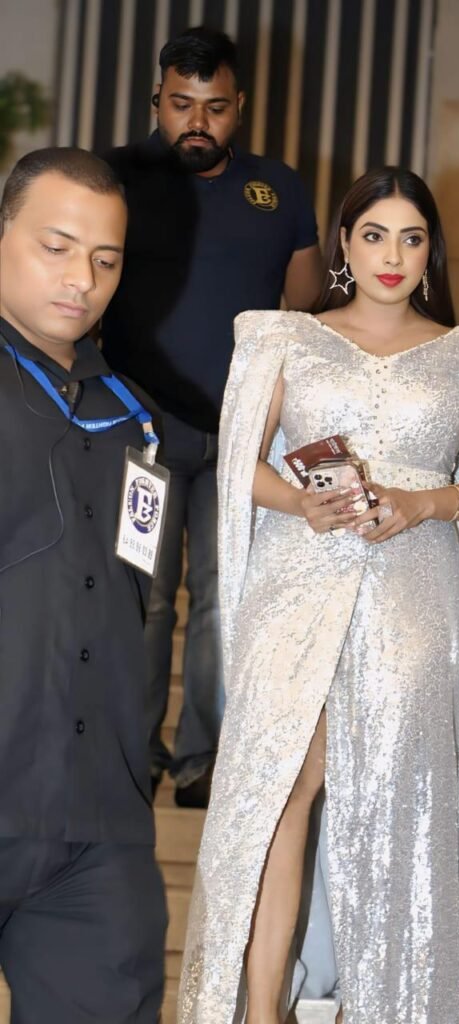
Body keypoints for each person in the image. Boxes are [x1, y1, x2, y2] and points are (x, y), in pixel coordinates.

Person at [177, 167, 459, 1024]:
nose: (391, 255)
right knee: (281, 790)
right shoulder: (286, 338)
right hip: (296, 582)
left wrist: (422, 504)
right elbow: (239, 461)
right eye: (374, 235)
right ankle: (262, 1009)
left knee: (397, 794)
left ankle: (390, 1002)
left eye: (411, 238)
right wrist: (298, 501)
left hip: (416, 590)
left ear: (431, 251)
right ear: (343, 242)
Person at [101, 26, 323, 808]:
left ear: (240, 107)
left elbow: (308, 310)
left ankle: (204, 759)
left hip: (242, 440)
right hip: (140, 432)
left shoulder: (278, 190)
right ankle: (131, 756)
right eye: (181, 104)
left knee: (225, 597)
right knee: (144, 595)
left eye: (215, 107)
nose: (197, 122)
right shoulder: (114, 178)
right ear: (156, 101)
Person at [0, 148, 167, 1021]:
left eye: (106, 260)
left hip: (97, 820)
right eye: (56, 248)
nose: (82, 280)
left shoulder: (130, 417)